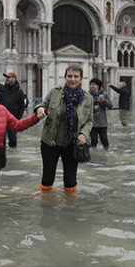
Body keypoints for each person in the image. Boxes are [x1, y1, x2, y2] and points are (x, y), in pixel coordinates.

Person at [33, 64, 93, 194]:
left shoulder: (87, 98)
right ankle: (46, 205)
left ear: (81, 78)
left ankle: (70, 208)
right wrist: (40, 109)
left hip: (72, 143)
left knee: (70, 180)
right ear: (65, 77)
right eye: (69, 76)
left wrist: (83, 134)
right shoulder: (55, 92)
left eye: (76, 76)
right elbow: (42, 105)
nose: (72, 79)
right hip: (50, 142)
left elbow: (89, 121)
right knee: (47, 177)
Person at [0, 71, 28, 148]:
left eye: (8, 77)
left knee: (13, 141)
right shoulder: (0, 89)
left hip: (13, 120)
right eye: (6, 77)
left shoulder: (19, 92)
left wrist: (17, 119)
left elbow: (22, 106)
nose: (6, 79)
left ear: (14, 79)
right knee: (1, 141)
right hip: (1, 120)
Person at [88, 78, 112, 149]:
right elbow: (84, 108)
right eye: (90, 84)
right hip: (92, 122)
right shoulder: (88, 95)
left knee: (104, 140)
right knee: (93, 140)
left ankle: (107, 154)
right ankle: (94, 156)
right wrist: (93, 108)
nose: (91, 86)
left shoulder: (104, 94)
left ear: (98, 86)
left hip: (102, 122)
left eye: (93, 84)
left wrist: (103, 101)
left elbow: (110, 106)